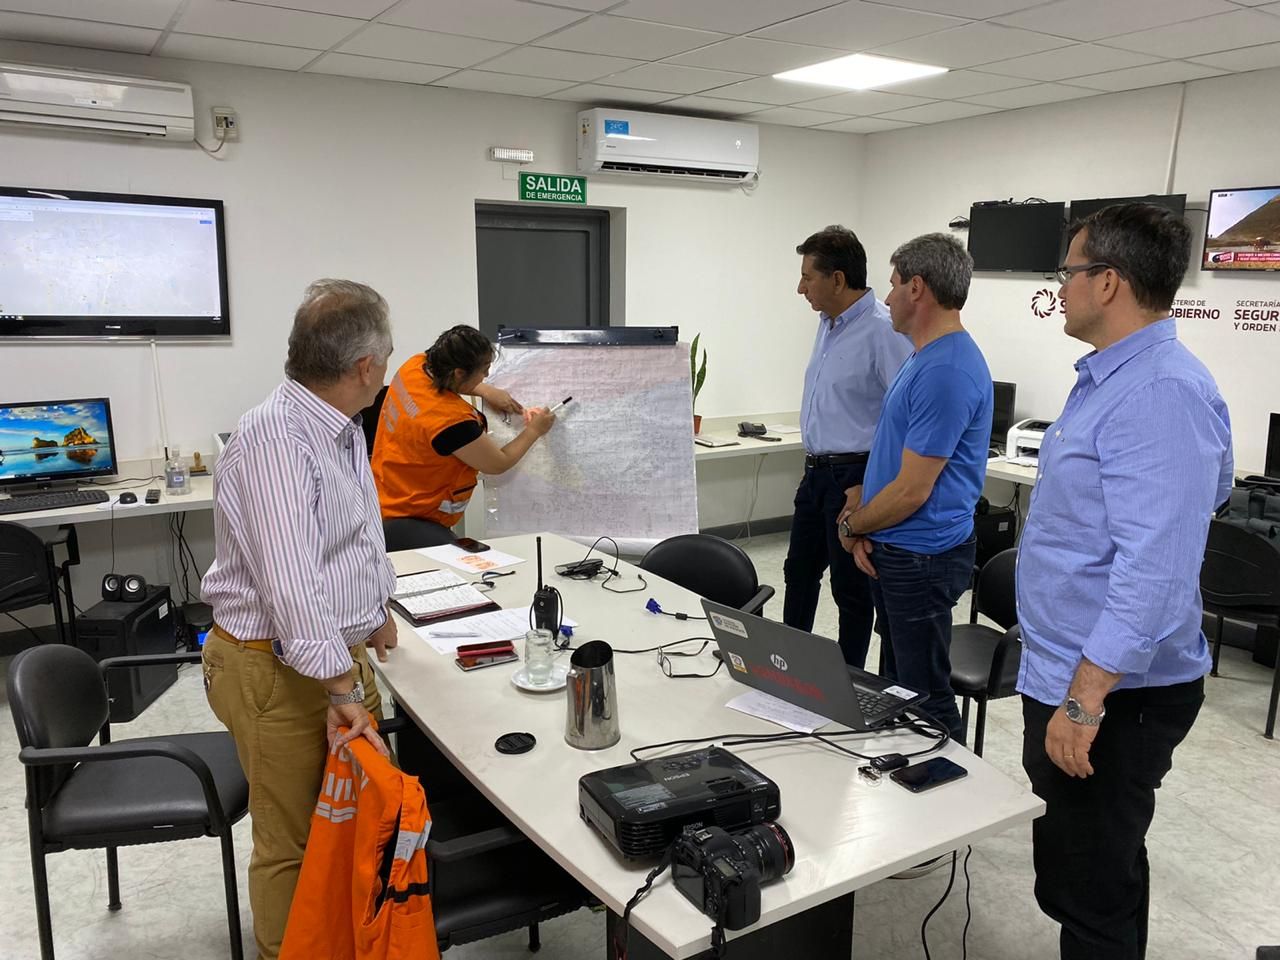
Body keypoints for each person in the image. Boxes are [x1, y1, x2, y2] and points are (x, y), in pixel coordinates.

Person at [1016, 203, 1232, 960]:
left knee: (1093, 888)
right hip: (1073, 675)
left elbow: (1156, 571)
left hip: (1114, 697)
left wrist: (1084, 700)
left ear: (1107, 282)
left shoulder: (1159, 392)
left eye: (1069, 272)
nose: (1061, 287)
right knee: (1088, 870)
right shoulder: (1113, 378)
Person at [201, 278, 400, 960]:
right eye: (388, 356)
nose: (389, 367)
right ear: (364, 367)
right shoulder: (277, 439)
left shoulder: (337, 426)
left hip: (331, 657)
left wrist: (375, 611)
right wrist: (342, 688)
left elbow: (354, 535)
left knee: (350, 818)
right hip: (273, 666)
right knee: (292, 841)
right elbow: (292, 583)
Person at [837, 233, 992, 741]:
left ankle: (950, 782)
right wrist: (863, 509)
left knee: (925, 698)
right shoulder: (924, 356)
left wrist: (853, 527)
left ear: (917, 288)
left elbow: (912, 491)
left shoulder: (946, 369)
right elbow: (896, 456)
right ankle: (906, 778)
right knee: (899, 688)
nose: (887, 297)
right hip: (899, 547)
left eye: (893, 285)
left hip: (921, 557)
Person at [784, 225, 912, 667]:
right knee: (798, 573)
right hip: (815, 473)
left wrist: (871, 485)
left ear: (837, 279)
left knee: (850, 590)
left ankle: (849, 679)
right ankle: (787, 667)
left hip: (855, 475)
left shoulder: (883, 330)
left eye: (808, 277)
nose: (800, 288)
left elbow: (904, 418)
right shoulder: (827, 325)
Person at [371, 325, 556, 537]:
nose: (486, 375)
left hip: (385, 489)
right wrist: (534, 430)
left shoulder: (415, 366)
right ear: (459, 373)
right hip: (414, 512)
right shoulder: (451, 422)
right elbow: (498, 463)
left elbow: (446, 381)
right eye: (484, 370)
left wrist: (485, 390)